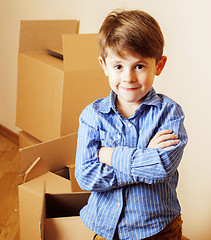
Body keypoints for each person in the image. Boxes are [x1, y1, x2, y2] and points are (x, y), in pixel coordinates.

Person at [75, 9, 188, 240]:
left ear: (159, 65)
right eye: (118, 66)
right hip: (107, 229)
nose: (128, 77)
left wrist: (111, 155)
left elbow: (161, 168)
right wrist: (145, 156)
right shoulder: (92, 116)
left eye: (139, 66)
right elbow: (86, 176)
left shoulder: (169, 113)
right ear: (104, 65)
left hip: (158, 229)